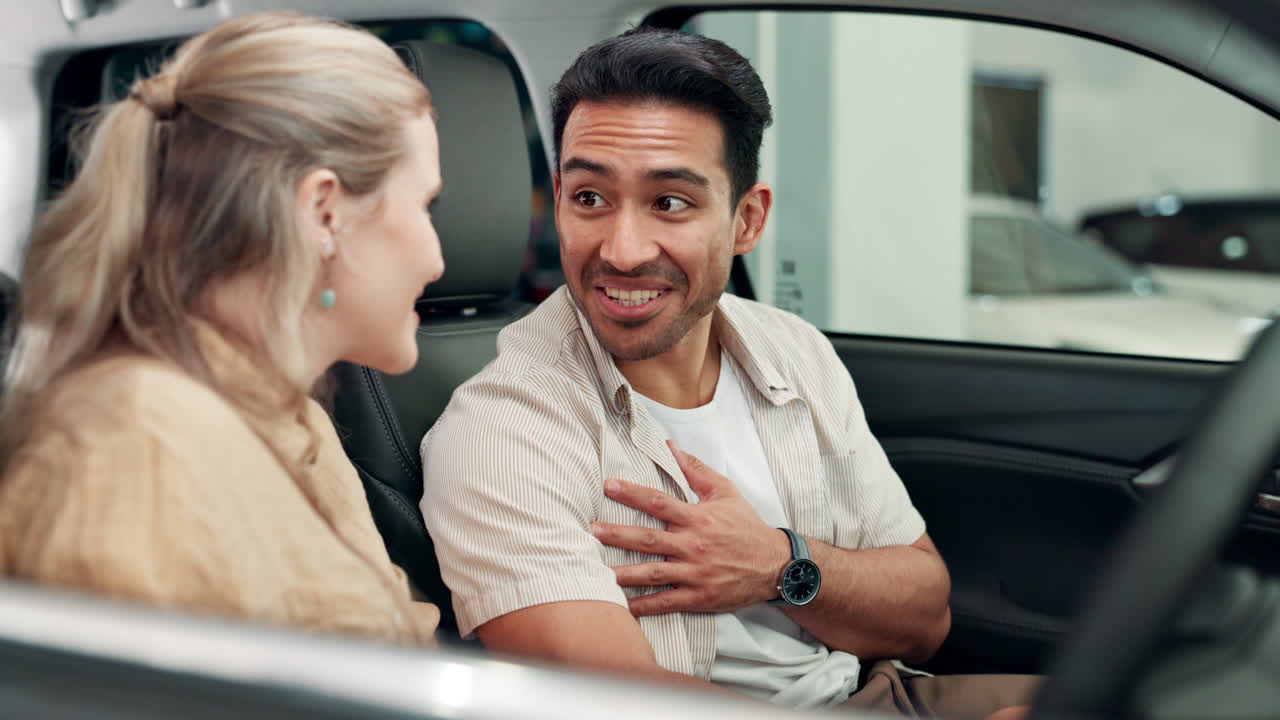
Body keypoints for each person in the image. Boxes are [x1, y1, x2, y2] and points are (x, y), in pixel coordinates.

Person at [422, 26, 1037, 717]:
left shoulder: (793, 350)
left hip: (880, 694)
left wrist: (781, 566)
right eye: (590, 198)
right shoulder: (499, 432)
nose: (621, 251)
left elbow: (925, 620)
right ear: (558, 198)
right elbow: (617, 708)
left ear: (746, 220)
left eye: (670, 202)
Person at [0, 11, 442, 645]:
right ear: (323, 212)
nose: (438, 257)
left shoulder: (288, 413)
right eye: (427, 206)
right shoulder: (136, 456)